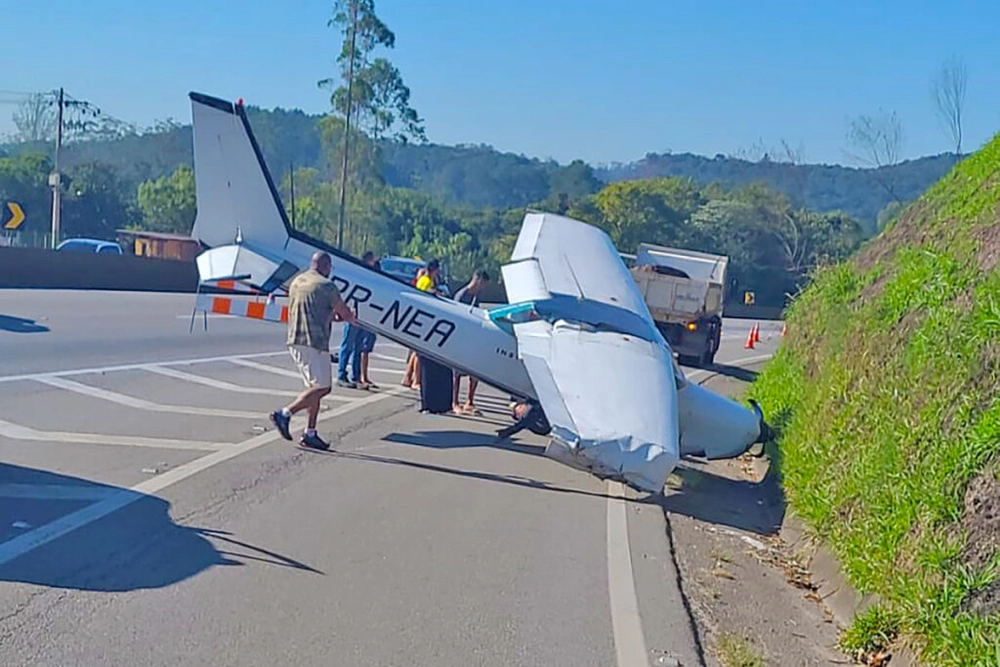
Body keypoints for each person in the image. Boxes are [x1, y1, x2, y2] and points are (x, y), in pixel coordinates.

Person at [270, 251, 357, 450]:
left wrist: (331, 316)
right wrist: (350, 315)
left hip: (295, 338)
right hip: (314, 341)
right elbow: (344, 313)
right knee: (324, 387)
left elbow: (313, 309)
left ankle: (310, 432)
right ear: (326, 266)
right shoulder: (327, 286)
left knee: (313, 388)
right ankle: (284, 413)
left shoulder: (297, 281)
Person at [451, 270, 491, 415]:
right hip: (460, 337)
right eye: (483, 284)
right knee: (457, 372)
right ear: (478, 280)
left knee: (475, 371)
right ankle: (455, 402)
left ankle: (470, 401)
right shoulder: (462, 295)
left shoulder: (477, 296)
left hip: (471, 337)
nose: (484, 287)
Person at [336, 250, 377, 389]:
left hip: (363, 316)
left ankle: (356, 376)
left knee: (358, 347)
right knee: (348, 345)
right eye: (371, 260)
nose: (373, 263)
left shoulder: (369, 276)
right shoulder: (357, 275)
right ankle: (341, 375)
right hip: (352, 313)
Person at [403, 259, 442, 389]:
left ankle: (408, 377)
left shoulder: (424, 280)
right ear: (434, 270)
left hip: (418, 317)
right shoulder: (426, 281)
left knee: (415, 351)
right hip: (422, 318)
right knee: (418, 353)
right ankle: (416, 380)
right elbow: (425, 297)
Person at [355, 253, 380, 390]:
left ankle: (363, 375)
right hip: (364, 316)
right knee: (362, 348)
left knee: (365, 348)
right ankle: (360, 376)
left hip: (371, 316)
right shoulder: (363, 275)